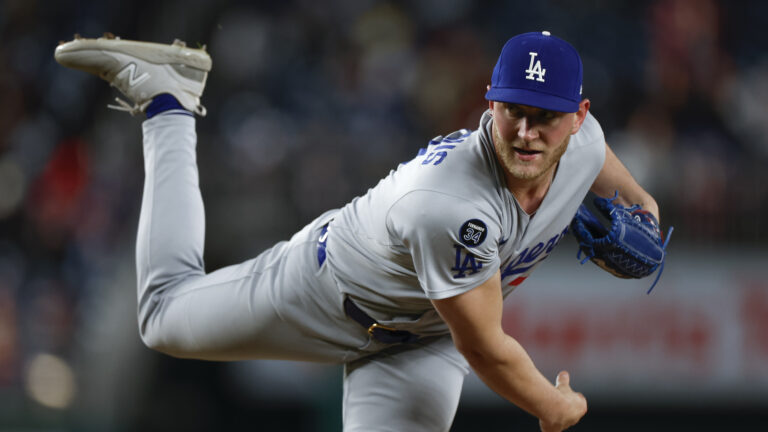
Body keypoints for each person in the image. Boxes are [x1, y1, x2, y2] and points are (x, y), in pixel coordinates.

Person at [55, 30, 659, 432]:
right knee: (162, 318)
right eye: (512, 110)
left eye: (546, 117)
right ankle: (168, 98)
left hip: (421, 341)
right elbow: (487, 348)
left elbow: (630, 193)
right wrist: (555, 407)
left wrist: (646, 217)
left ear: (578, 116)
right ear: (489, 102)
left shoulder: (585, 144)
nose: (526, 132)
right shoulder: (449, 203)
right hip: (326, 294)